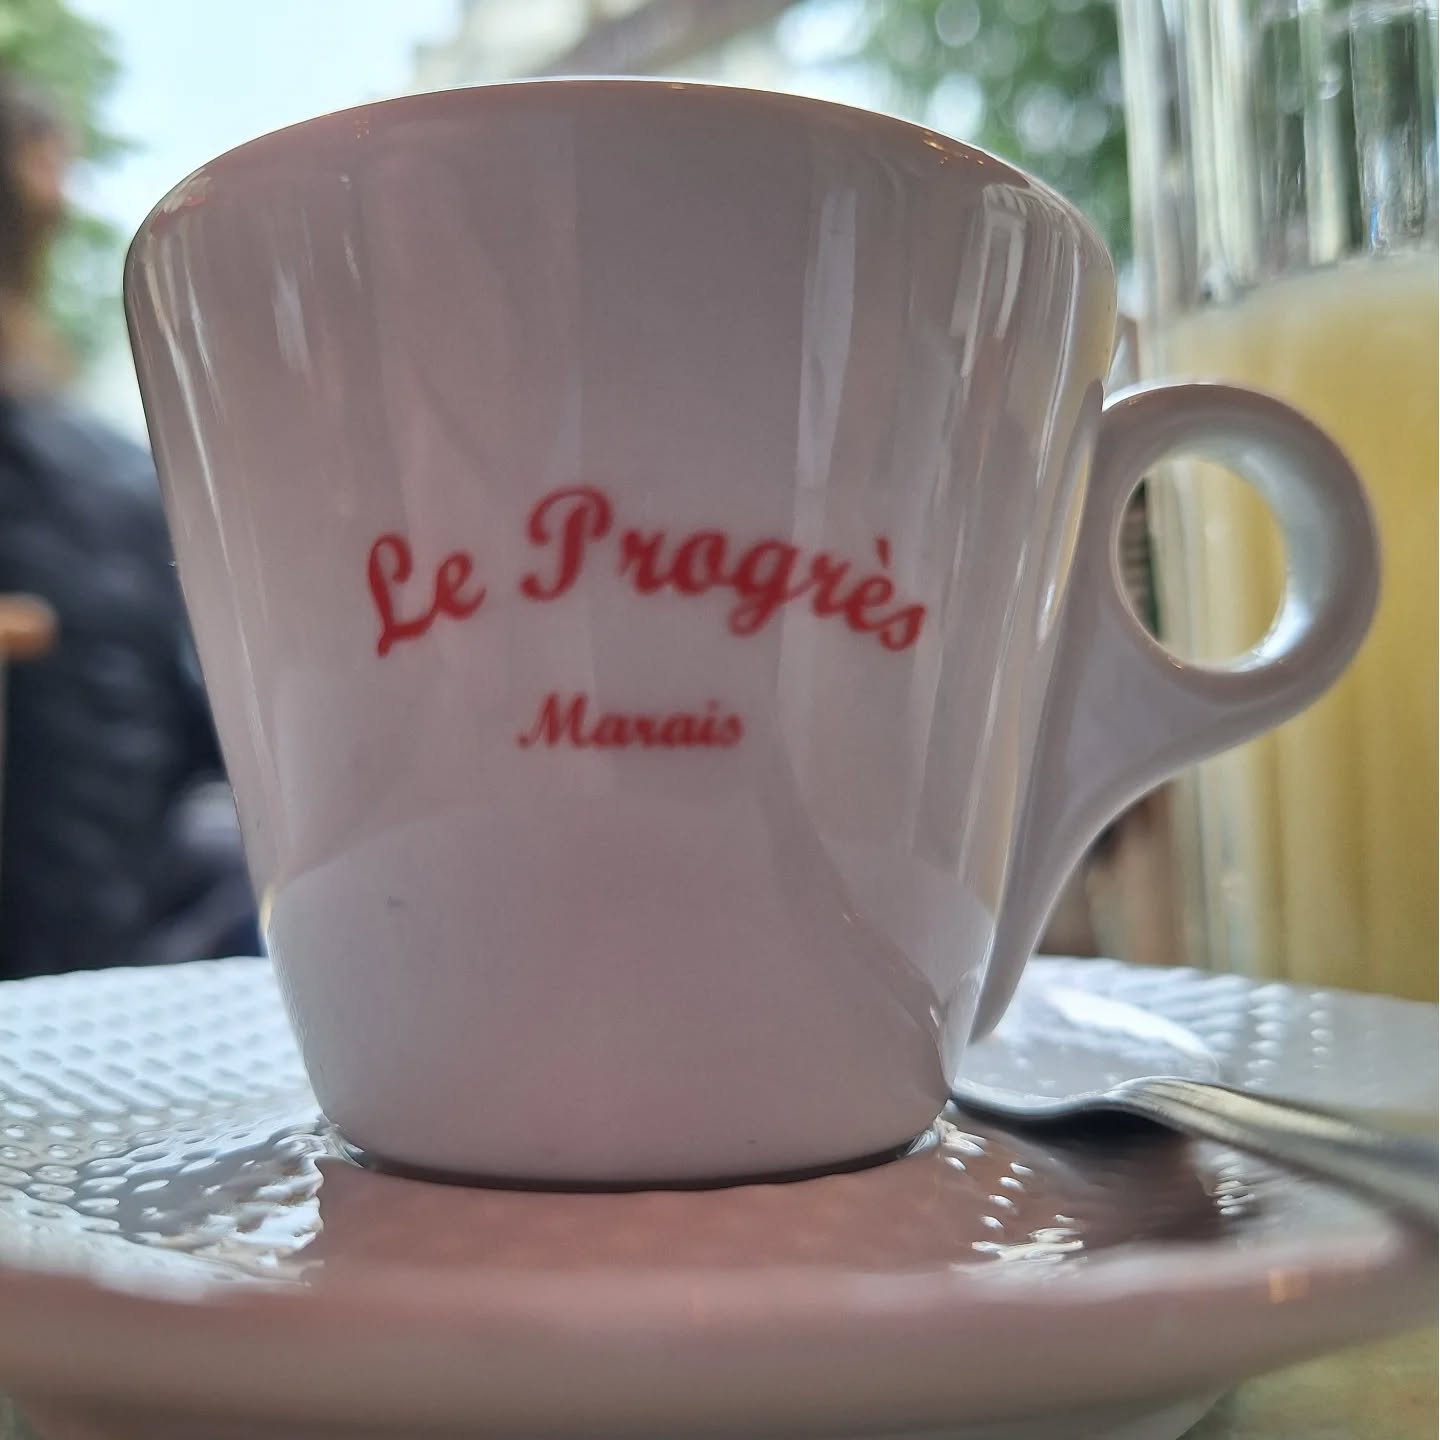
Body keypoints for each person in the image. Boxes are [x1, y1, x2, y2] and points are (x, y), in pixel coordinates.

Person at [0, 71, 258, 978]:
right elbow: (222, 752)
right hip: (93, 984)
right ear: (41, 181)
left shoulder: (103, 487)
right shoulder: (108, 491)